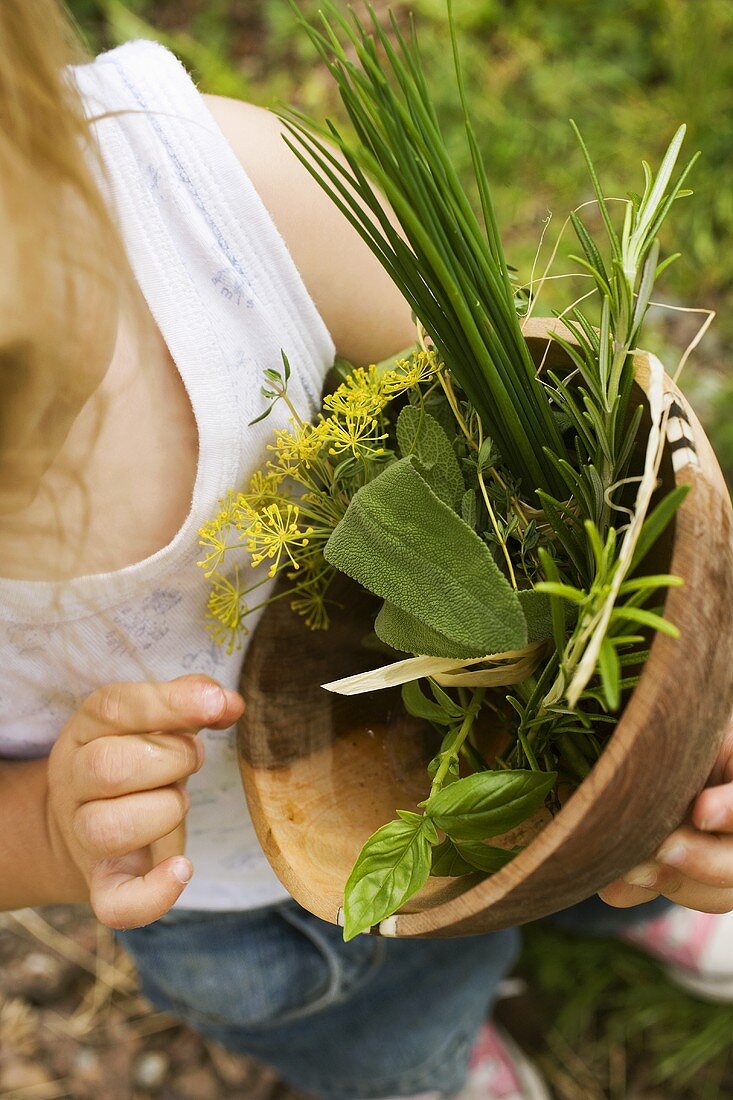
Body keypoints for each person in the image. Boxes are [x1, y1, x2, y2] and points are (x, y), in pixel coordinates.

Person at [1, 3, 733, 1097]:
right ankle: (442, 1061)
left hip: (514, 700)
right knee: (381, 1032)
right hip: (242, 912)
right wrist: (52, 832)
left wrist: (687, 706)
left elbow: (549, 397)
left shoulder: (203, 190)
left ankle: (622, 885)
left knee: (586, 813)